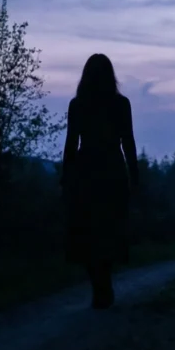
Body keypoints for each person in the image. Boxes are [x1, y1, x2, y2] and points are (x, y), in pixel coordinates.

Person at [61, 53, 140, 309]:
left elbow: (71, 143)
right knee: (108, 228)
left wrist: (67, 176)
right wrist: (134, 175)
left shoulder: (78, 104)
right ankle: (103, 284)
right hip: (112, 170)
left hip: (87, 171)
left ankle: (99, 286)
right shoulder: (121, 104)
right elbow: (128, 141)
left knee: (89, 230)